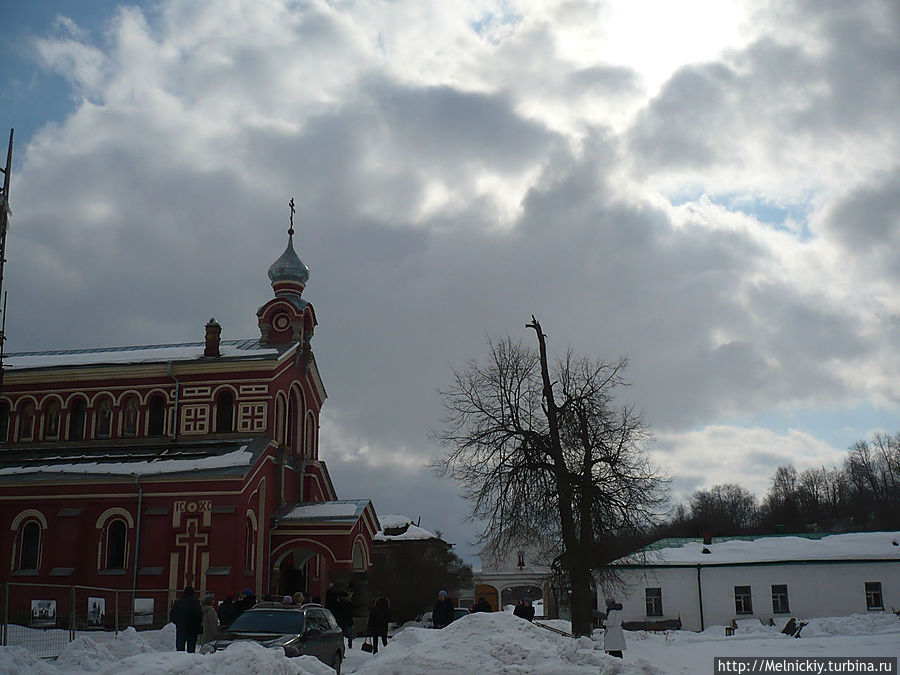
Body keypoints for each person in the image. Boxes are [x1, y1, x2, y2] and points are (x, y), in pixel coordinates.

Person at [170, 585, 203, 653]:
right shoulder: (195, 602)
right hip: (192, 629)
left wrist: (178, 623)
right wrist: (197, 625)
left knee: (180, 649)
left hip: (181, 628)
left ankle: (179, 661)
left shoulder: (178, 602)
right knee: (191, 649)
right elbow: (199, 615)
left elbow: (172, 615)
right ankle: (190, 662)